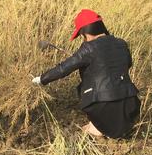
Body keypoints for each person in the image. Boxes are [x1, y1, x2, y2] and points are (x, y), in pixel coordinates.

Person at [32, 9, 140, 139]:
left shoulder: (88, 48)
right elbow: (127, 64)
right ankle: (104, 127)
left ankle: (97, 128)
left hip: (103, 108)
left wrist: (41, 79)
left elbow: (63, 69)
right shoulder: (121, 44)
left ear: (85, 33)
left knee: (85, 94)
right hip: (130, 108)